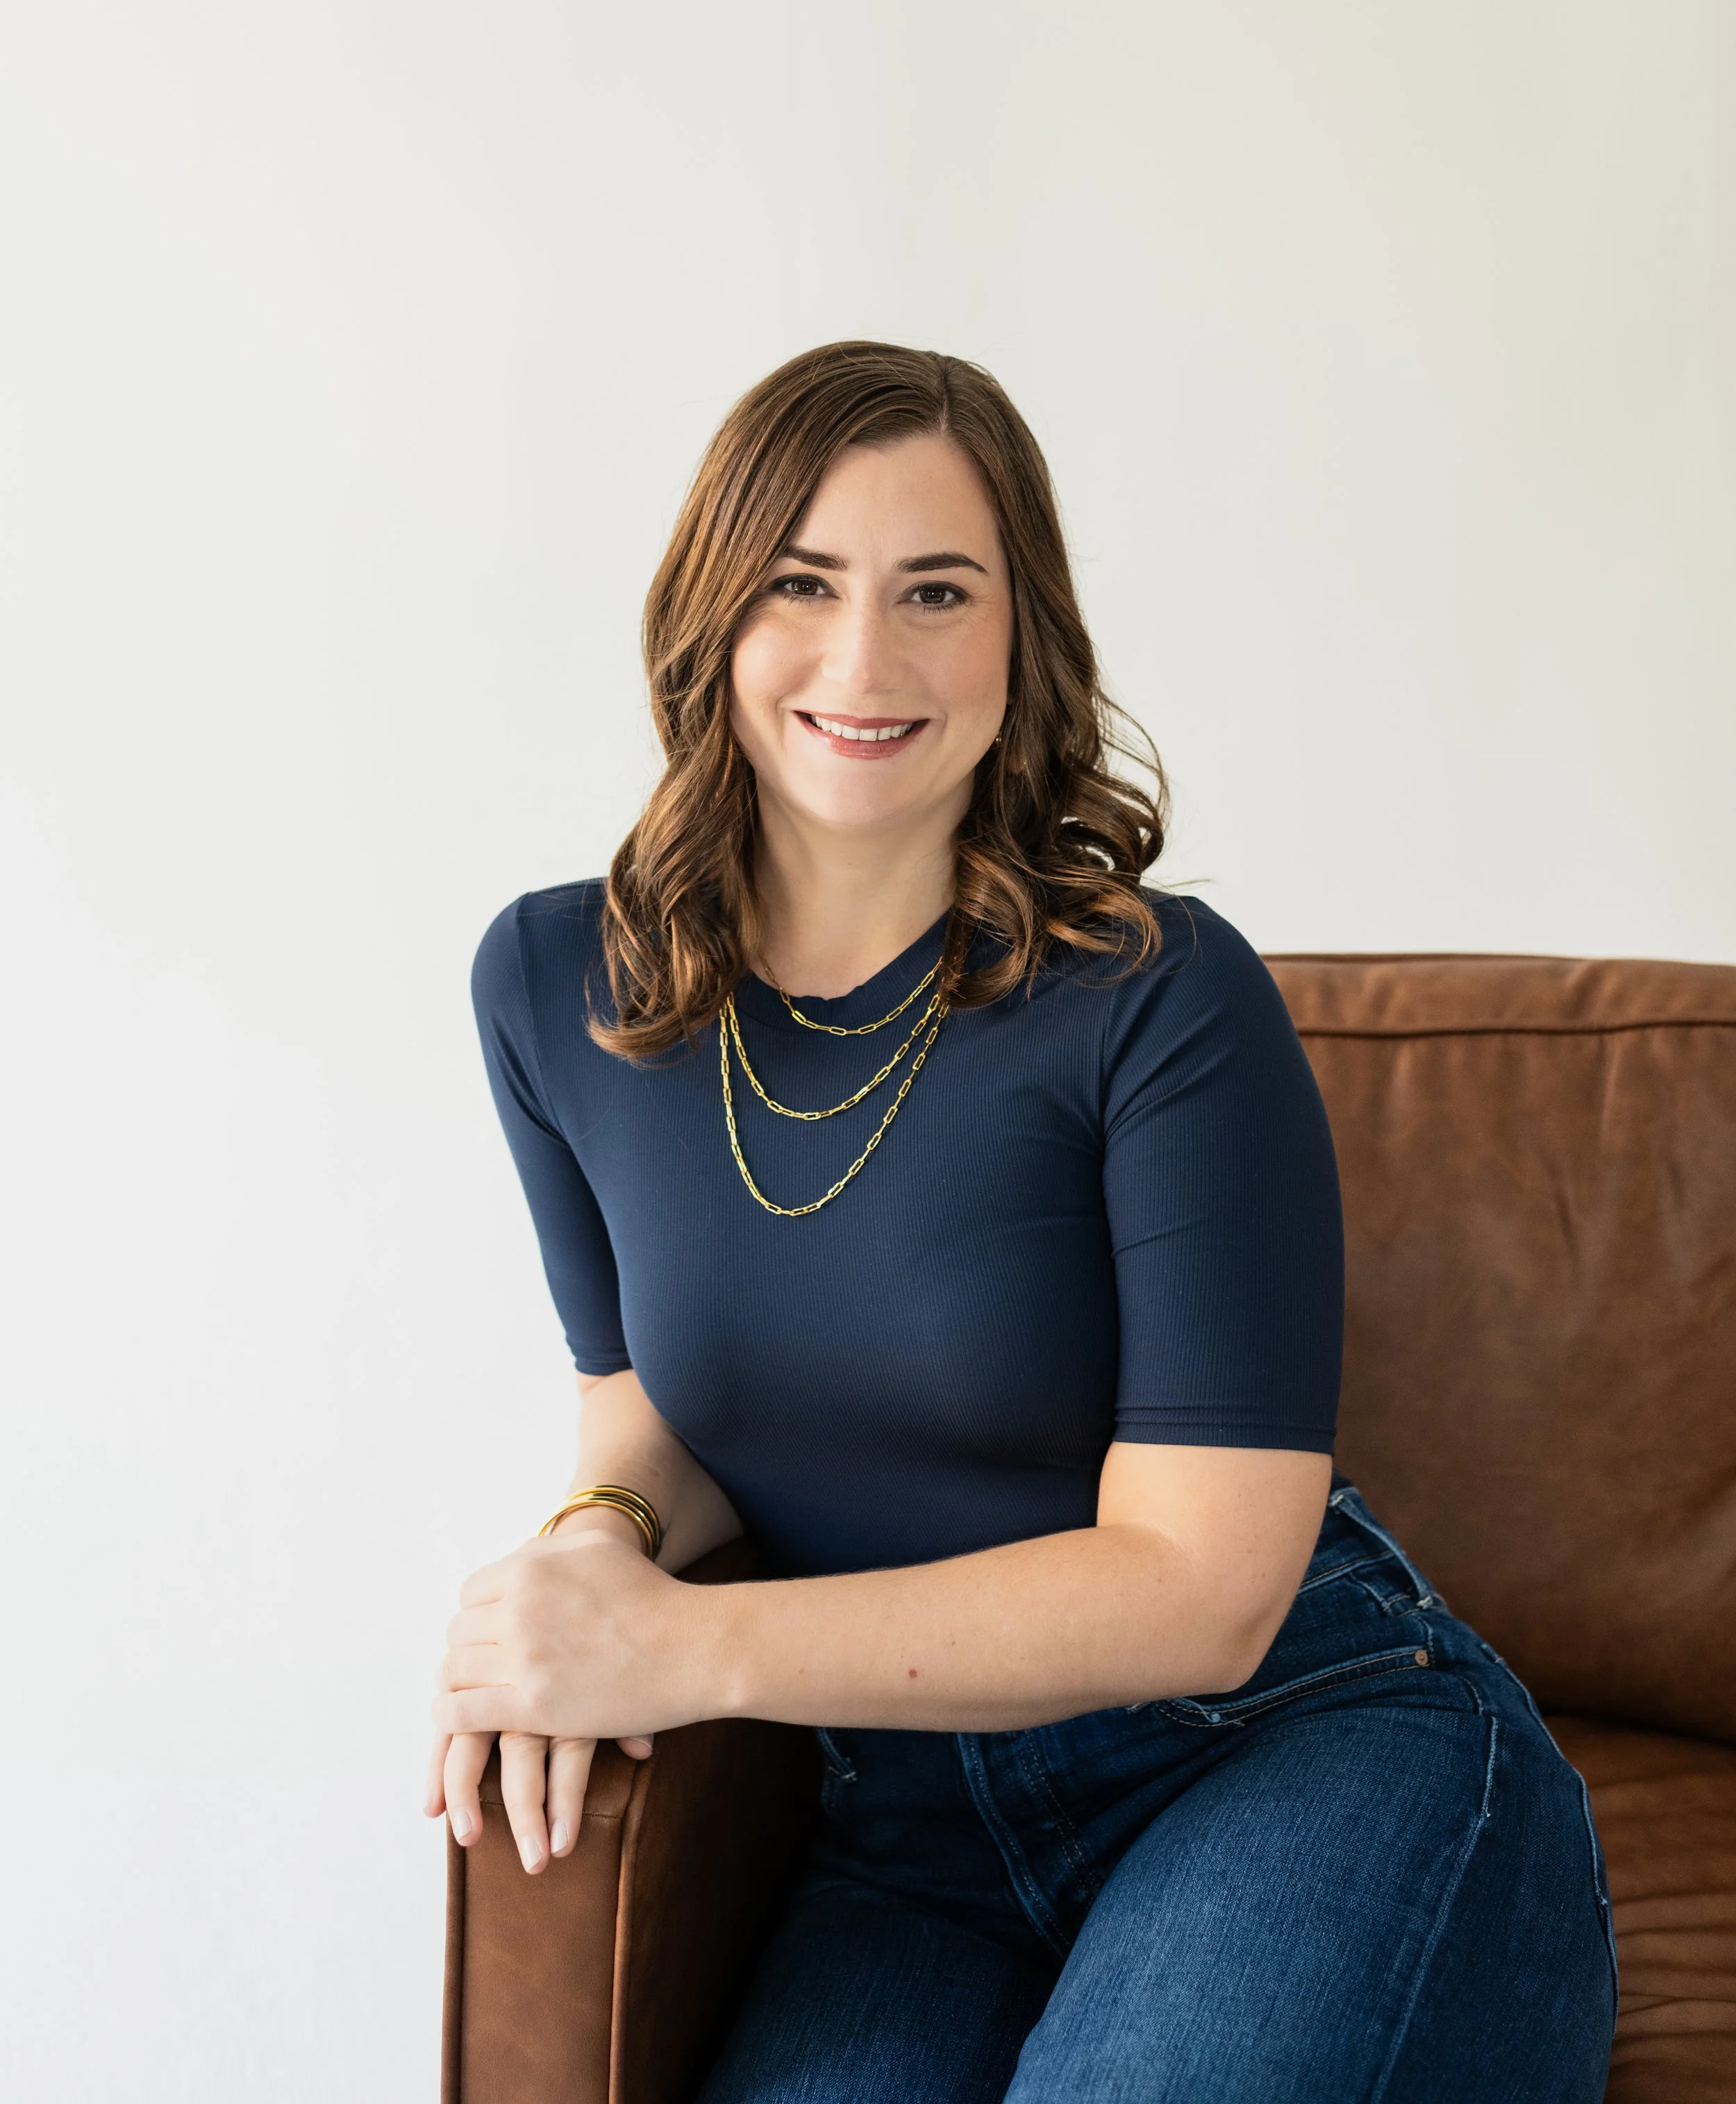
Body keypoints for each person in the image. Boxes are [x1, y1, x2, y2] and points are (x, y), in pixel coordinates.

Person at [426, 341, 1617, 2102]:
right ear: (709, 616)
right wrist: (598, 1534)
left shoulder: (1159, 1003)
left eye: (935, 592)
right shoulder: (554, 986)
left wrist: (681, 1649)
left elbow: (1201, 1594)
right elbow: (647, 1404)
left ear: (1019, 639)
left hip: (1291, 1747)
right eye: (801, 585)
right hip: (906, 1828)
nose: (862, 660)